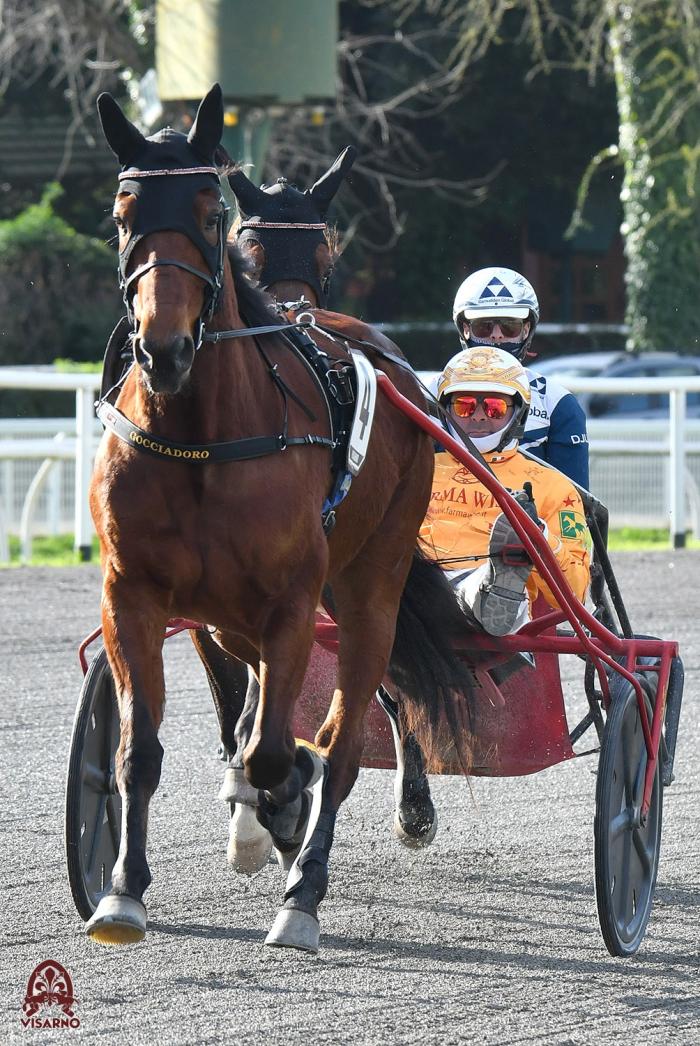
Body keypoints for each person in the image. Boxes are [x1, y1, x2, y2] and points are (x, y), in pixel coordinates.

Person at [421, 345, 590, 636]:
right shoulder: (415, 468)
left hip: (487, 601)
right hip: (408, 583)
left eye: (494, 408)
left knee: (486, 589)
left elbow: (576, 593)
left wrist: (540, 538)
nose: (478, 417)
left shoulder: (552, 486)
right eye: (464, 406)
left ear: (519, 414)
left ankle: (493, 588)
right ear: (445, 411)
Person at [452, 267, 589, 489]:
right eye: (484, 326)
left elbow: (574, 504)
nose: (496, 334)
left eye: (509, 326)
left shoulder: (557, 404)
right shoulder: (428, 396)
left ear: (526, 330)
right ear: (465, 329)